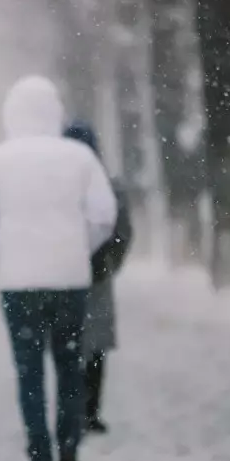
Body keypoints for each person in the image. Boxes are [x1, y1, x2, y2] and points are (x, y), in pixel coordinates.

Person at [0, 76, 117, 461]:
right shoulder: (80, 158)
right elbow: (104, 215)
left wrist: (4, 251)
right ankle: (70, 453)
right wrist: (75, 247)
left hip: (20, 281)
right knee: (70, 367)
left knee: (29, 373)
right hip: (70, 280)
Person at [63, 121, 134, 434]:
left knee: (74, 344)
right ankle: (90, 411)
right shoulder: (108, 183)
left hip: (69, 274)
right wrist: (110, 262)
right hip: (94, 272)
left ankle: (78, 409)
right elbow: (123, 232)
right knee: (95, 345)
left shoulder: (59, 185)